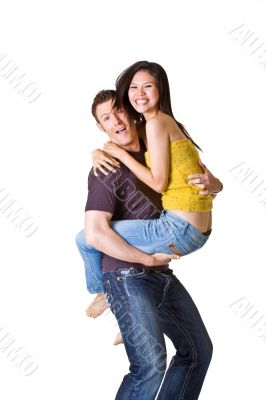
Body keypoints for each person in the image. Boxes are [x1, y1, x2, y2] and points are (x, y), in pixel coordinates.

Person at [76, 89, 220, 399]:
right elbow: (95, 234)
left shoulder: (158, 151)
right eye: (106, 118)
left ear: (131, 111)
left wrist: (214, 185)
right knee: (150, 365)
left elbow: (195, 188)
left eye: (118, 111)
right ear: (101, 129)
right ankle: (104, 293)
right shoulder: (106, 170)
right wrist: (146, 260)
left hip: (160, 275)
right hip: (127, 274)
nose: (115, 120)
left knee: (197, 352)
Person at [77, 61, 222, 321]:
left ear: (160, 89)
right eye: (134, 87)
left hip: (177, 229)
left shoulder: (155, 125)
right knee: (94, 235)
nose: (140, 93)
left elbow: (159, 183)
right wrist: (96, 151)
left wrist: (118, 153)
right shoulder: (160, 126)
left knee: (85, 238)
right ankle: (110, 295)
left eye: (147, 86)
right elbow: (190, 178)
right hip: (198, 229)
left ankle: (104, 293)